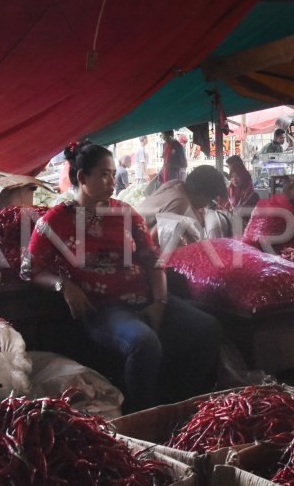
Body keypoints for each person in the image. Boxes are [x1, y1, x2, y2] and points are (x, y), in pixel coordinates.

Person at [22, 141, 221, 412]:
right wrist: (64, 285)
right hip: (104, 309)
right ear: (82, 177)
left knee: (208, 328)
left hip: (147, 298)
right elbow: (29, 269)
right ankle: (141, 418)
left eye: (114, 174)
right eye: (104, 174)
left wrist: (160, 302)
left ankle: (180, 406)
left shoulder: (125, 212)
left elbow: (153, 261)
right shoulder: (57, 220)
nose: (112, 181)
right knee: (144, 343)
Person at [136, 164, 229, 246]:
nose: (205, 206)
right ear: (202, 195)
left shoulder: (177, 184)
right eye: (208, 200)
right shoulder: (180, 203)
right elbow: (156, 238)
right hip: (136, 243)